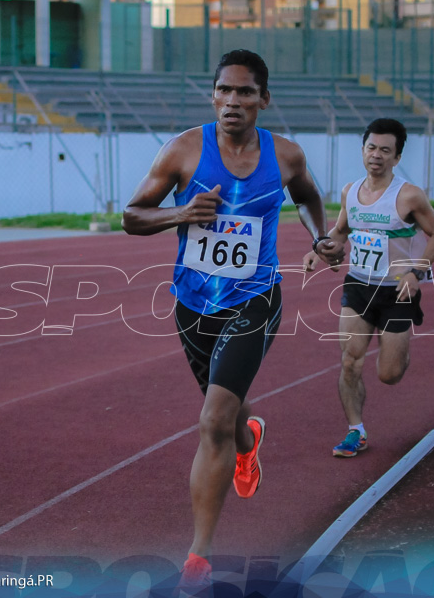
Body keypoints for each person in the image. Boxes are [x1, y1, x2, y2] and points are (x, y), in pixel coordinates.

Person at [122, 49, 344, 588]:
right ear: (213, 95)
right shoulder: (183, 150)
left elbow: (310, 196)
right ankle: (249, 440)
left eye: (246, 92)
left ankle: (197, 558)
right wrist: (181, 212)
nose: (233, 102)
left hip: (255, 300)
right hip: (192, 304)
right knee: (225, 412)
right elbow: (131, 216)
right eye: (225, 90)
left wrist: (321, 236)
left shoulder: (286, 155)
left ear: (263, 100)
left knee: (211, 420)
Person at [304, 117, 434, 458]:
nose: (377, 155)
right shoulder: (350, 191)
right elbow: (341, 231)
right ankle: (356, 431)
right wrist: (318, 249)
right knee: (350, 361)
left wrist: (417, 272)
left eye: (386, 150)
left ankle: (399, 349)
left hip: (397, 290)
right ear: (363, 150)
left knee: (389, 374)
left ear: (396, 158)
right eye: (371, 148)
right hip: (359, 286)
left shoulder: (409, 195)